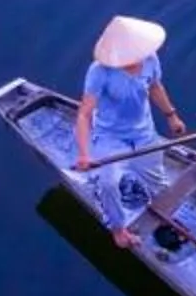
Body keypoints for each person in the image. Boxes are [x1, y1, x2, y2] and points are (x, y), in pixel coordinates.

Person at [74, 15, 186, 250]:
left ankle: (164, 218)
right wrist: (85, 154)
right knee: (108, 183)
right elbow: (84, 114)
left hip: (144, 133)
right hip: (110, 137)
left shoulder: (150, 60)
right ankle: (118, 229)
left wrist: (171, 115)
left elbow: (155, 87)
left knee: (159, 183)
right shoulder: (99, 72)